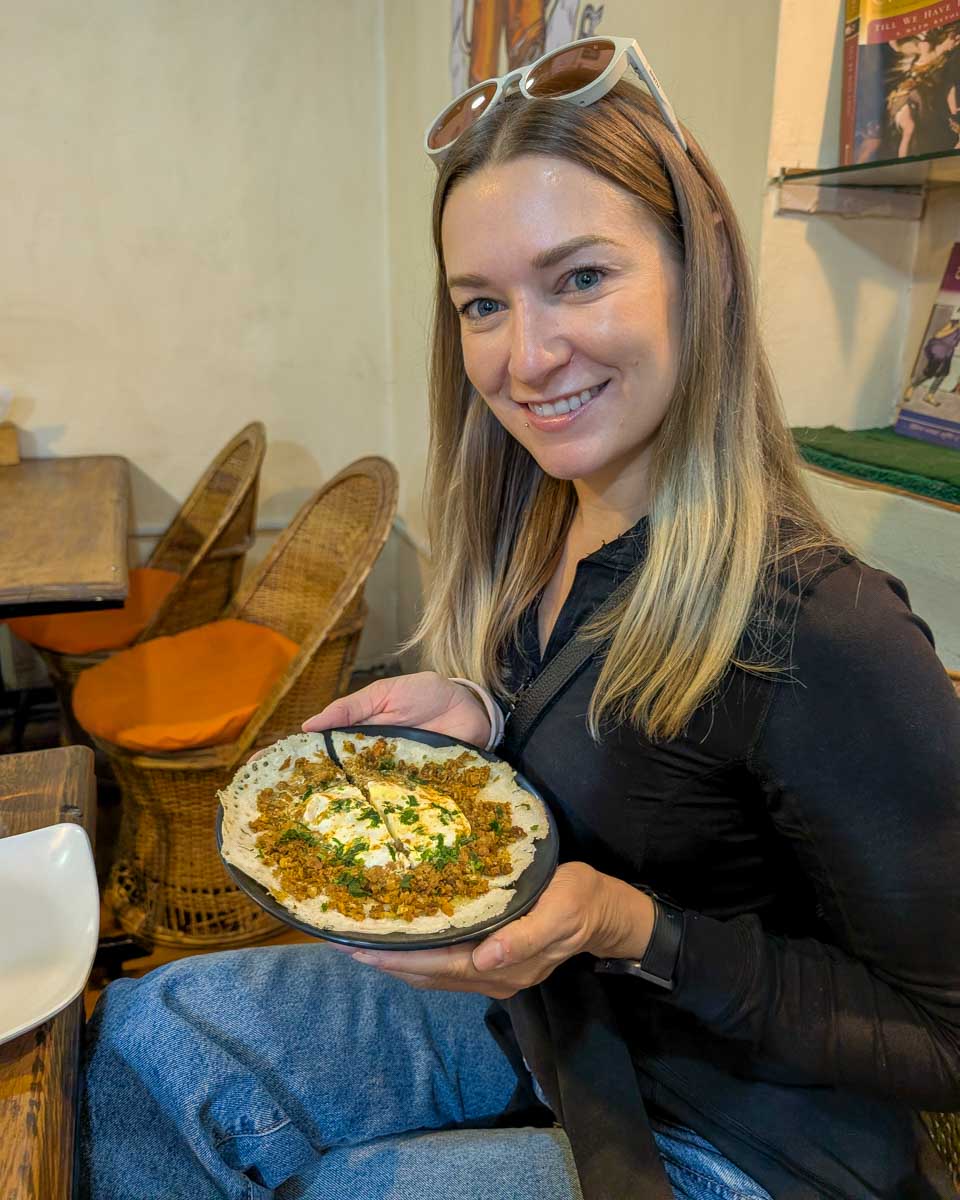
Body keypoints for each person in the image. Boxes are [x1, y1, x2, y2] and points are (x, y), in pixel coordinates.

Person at [79, 35, 960, 1200]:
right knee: (147, 1031)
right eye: (482, 303)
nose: (527, 358)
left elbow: (943, 1038)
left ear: (704, 273)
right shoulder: (545, 520)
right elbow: (629, 747)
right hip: (552, 1028)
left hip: (736, 1146)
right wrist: (485, 709)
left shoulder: (825, 626)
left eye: (581, 278)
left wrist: (633, 927)